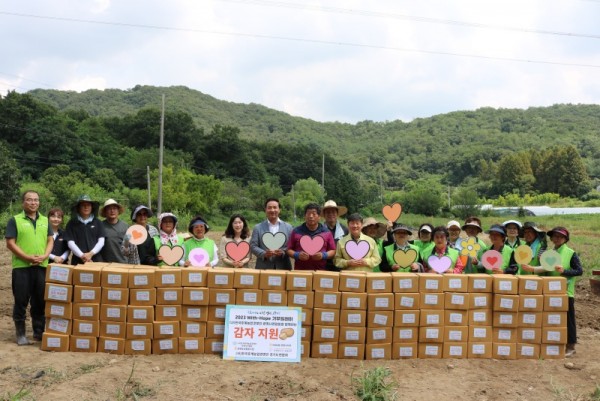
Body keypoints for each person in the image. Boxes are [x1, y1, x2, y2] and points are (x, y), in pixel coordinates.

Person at [5, 190, 53, 345]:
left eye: (36, 200)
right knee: (21, 300)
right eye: (29, 200)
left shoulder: (45, 220)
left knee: (39, 301)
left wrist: (45, 256)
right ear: (23, 202)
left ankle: (38, 333)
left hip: (41, 266)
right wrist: (26, 257)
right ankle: (21, 334)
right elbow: (10, 243)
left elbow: (50, 240)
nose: (33, 203)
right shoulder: (15, 220)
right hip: (22, 267)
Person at [545, 226, 583, 357]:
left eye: (560, 236)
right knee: (554, 318)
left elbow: (579, 271)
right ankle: (556, 343)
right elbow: (545, 269)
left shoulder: (570, 253)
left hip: (566, 292)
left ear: (565, 239)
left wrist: (565, 271)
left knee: (568, 319)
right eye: (554, 236)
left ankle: (571, 346)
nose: (557, 239)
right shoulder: (550, 253)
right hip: (551, 292)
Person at [286, 203, 336, 271]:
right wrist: (297, 255)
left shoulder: (326, 232)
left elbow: (333, 251)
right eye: (308, 213)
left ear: (319, 217)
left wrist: (323, 255)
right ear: (305, 216)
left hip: (320, 271)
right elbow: (289, 250)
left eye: (314, 214)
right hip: (300, 271)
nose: (311, 216)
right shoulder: (296, 231)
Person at [250, 198, 293, 270]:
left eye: (275, 207)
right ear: (265, 210)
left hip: (283, 266)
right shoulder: (258, 227)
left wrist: (283, 252)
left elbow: (291, 246)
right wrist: (264, 254)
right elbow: (253, 246)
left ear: (279, 210)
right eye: (269, 208)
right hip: (263, 266)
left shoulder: (289, 227)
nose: (272, 210)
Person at [65, 195, 106, 265]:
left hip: (95, 260)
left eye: (88, 205)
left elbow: (101, 241)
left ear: (92, 207)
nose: (86, 207)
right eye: (83, 205)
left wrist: (91, 254)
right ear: (78, 207)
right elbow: (70, 242)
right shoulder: (71, 223)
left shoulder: (98, 222)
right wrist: (82, 256)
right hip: (78, 261)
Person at [321, 200, 349, 271]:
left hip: (340, 265)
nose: (331, 214)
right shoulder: (319, 230)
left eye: (333, 212)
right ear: (324, 215)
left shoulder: (344, 230)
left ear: (337, 214)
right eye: (328, 212)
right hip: (323, 264)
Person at [100, 199, 128, 263]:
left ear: (118, 211)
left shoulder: (126, 226)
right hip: (105, 264)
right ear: (105, 212)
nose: (112, 211)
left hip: (123, 263)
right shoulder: (100, 226)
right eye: (109, 209)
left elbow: (128, 245)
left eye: (114, 208)